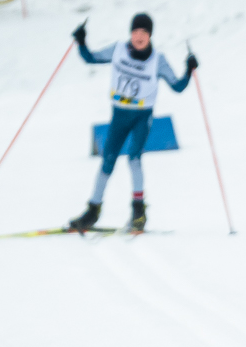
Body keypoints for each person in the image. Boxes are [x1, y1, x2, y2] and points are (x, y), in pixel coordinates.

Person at [68, 13, 198, 232]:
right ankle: (92, 211)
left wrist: (189, 69)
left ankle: (139, 212)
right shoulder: (118, 49)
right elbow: (90, 58)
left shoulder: (158, 60)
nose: (139, 36)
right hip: (119, 115)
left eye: (144, 32)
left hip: (141, 116)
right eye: (135, 31)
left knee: (134, 159)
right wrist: (81, 41)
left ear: (150, 36)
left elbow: (177, 86)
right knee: (107, 161)